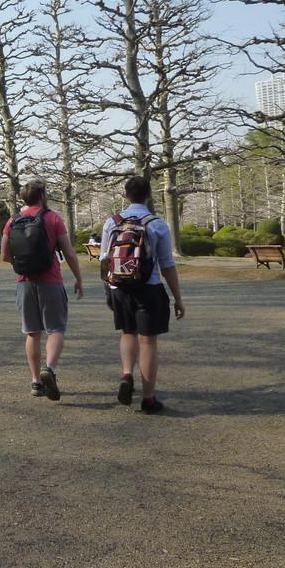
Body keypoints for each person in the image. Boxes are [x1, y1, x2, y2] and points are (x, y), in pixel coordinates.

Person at [100, 176, 185, 414]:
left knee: (128, 333)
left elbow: (104, 260)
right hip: (149, 288)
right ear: (148, 195)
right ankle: (149, 398)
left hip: (120, 288)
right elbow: (167, 265)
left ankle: (127, 374)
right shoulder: (157, 224)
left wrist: (109, 290)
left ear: (126, 195)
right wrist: (177, 298)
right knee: (148, 341)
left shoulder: (112, 222)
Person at [1, 178, 84, 401]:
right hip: (51, 280)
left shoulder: (12, 220)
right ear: (42, 195)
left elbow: (5, 255)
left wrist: (23, 263)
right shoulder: (52, 218)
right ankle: (51, 370)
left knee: (32, 333)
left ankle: (36, 381)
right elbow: (69, 252)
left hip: (24, 282)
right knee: (55, 329)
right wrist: (78, 279)